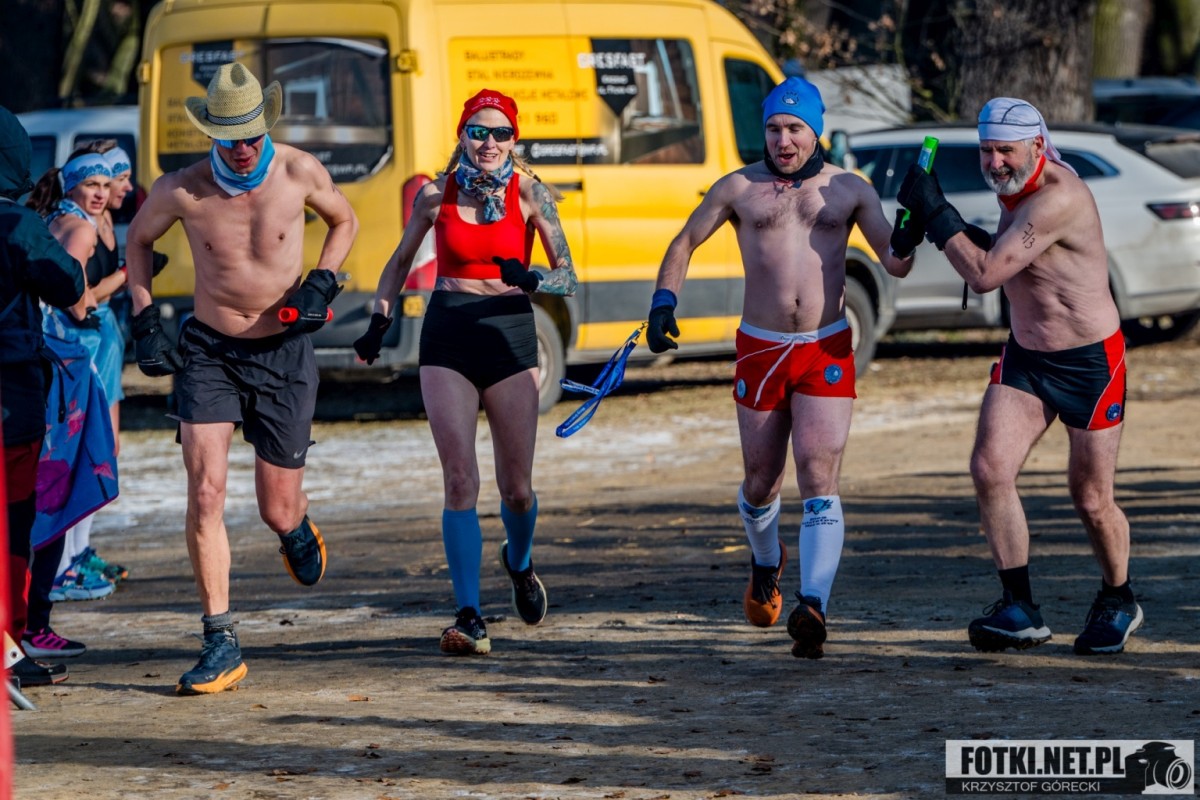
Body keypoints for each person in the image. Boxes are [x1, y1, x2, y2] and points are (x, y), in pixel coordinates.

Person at [645, 77, 914, 660]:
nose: (783, 140)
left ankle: (812, 605)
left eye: (795, 128)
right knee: (761, 482)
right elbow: (683, 242)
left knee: (818, 473)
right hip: (761, 349)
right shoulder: (739, 187)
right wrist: (664, 302)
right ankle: (767, 560)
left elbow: (896, 263)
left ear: (815, 131)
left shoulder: (848, 189)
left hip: (825, 347)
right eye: (773, 128)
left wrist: (915, 224)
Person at [124, 62, 358, 695]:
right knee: (205, 493)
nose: (244, 148)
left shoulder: (298, 172)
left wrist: (322, 281)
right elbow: (137, 242)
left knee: (274, 506)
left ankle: (295, 526)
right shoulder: (182, 189)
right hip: (209, 352)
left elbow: (345, 221)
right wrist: (144, 320)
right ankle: (220, 640)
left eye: (253, 135)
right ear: (212, 135)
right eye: (231, 139)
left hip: (283, 351)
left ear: (266, 126)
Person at [896, 97, 1141, 656]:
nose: (994, 162)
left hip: (1089, 363)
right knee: (990, 468)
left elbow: (985, 276)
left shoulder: (1058, 197)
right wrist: (944, 225)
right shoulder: (1013, 189)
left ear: (1036, 144)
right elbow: (1009, 255)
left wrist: (937, 213)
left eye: (1005, 150)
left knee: (1091, 497)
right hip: (1028, 357)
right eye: (986, 150)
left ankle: (1119, 598)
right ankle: (1020, 607)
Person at [353, 88, 577, 656]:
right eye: (479, 131)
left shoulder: (531, 194)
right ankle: (470, 615)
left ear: (514, 140)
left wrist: (530, 278)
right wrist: (379, 321)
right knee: (459, 480)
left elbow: (569, 276)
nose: (489, 142)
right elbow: (399, 262)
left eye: (501, 133)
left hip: (509, 333)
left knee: (517, 490)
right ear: (463, 136)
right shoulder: (435, 194)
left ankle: (519, 562)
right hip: (448, 332)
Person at [0, 105, 87, 686]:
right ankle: (8, 650)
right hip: (11, 395)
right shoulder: (18, 224)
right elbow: (68, 283)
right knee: (12, 521)